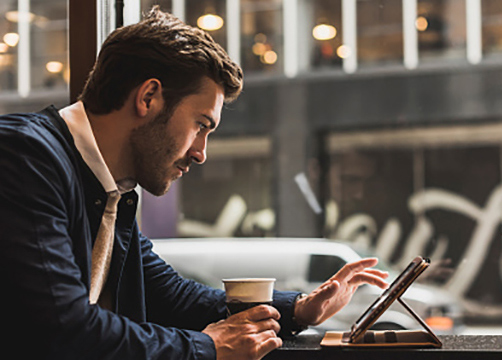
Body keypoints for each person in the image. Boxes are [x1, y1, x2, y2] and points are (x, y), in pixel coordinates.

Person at [0, 7, 388, 360]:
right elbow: (62, 328)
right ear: (148, 97)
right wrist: (209, 347)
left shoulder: (109, 190)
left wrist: (300, 308)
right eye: (201, 125)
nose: (201, 152)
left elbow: (170, 297)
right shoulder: (25, 155)